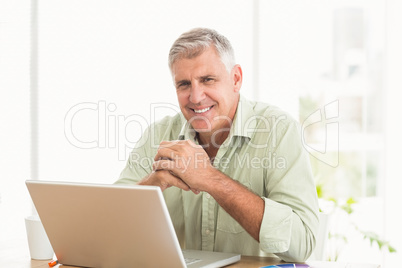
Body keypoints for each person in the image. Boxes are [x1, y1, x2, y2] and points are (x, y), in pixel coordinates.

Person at [116, 28, 319, 262]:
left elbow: (301, 244)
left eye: (207, 80)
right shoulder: (157, 136)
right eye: (184, 84)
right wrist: (152, 185)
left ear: (236, 79)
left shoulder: (279, 131)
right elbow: (107, 228)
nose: (195, 96)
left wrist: (210, 179)